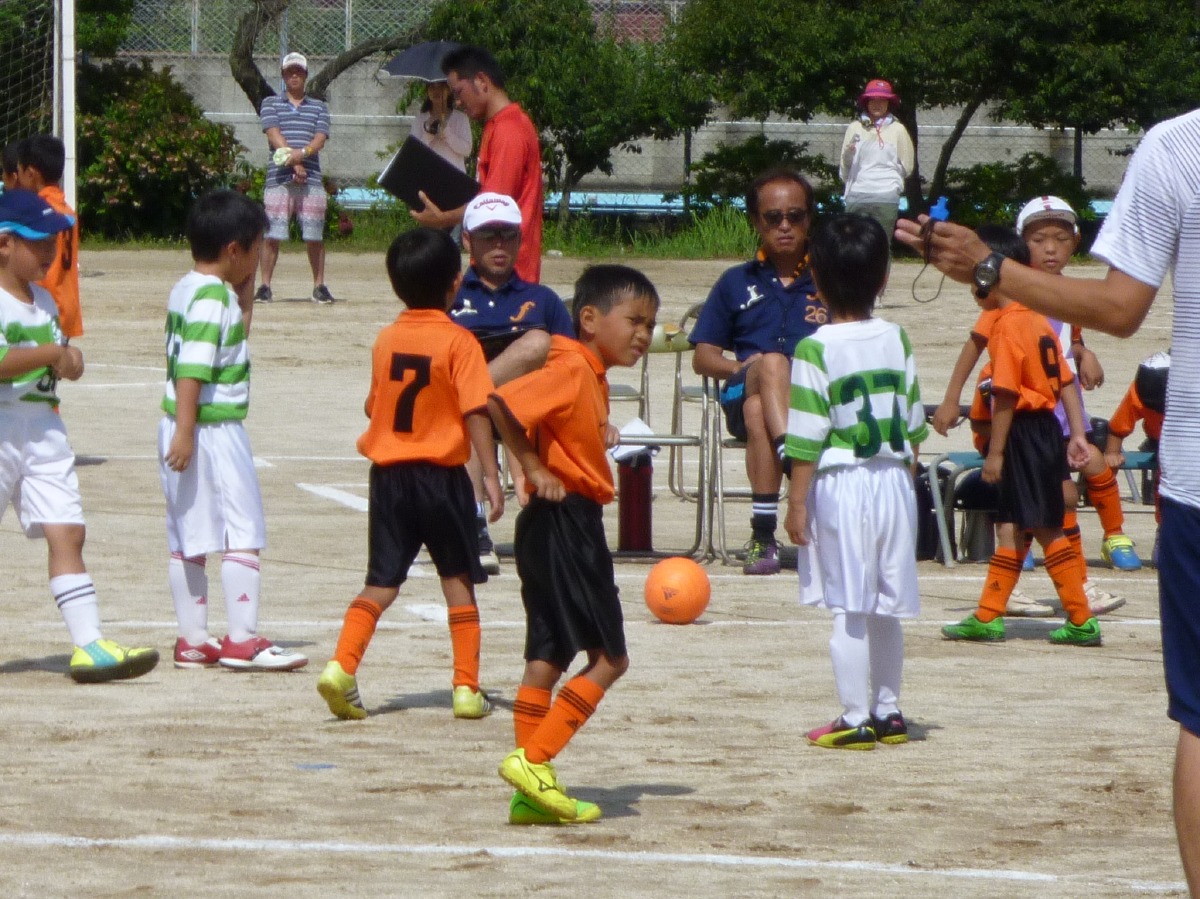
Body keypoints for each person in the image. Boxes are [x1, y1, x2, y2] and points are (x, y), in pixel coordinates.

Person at [898, 112, 1200, 883]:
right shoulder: (1022, 307)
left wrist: (986, 267)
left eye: (1063, 235)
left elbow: (1107, 322)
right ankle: (1027, 609)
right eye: (1043, 236)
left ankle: (1057, 609)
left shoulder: (1178, 145)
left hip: (1093, 445)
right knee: (1028, 526)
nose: (1055, 244)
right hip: (1038, 428)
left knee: (1039, 527)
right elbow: (996, 357)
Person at [488, 264, 658, 825]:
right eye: (634, 320)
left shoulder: (586, 371)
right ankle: (534, 760)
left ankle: (529, 796)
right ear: (589, 319)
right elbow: (500, 402)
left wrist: (591, 433)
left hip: (545, 526)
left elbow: (546, 418)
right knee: (610, 658)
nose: (644, 334)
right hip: (569, 524)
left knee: (547, 655)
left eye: (650, 324)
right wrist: (533, 465)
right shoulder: (571, 367)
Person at [316, 227, 502, 721]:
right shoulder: (460, 341)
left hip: (389, 477)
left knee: (381, 582)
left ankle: (341, 666)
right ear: (455, 282)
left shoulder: (387, 339)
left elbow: (373, 405)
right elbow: (476, 410)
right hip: (441, 477)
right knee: (457, 580)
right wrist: (489, 473)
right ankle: (466, 688)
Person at [932, 209, 1129, 615]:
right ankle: (1065, 594)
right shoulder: (1016, 313)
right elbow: (991, 363)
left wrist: (1072, 427)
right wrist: (953, 400)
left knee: (1038, 510)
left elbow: (1036, 382)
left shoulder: (1026, 313)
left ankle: (1059, 596)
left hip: (1026, 427)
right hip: (1026, 426)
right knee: (1040, 508)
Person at [0, 189, 159, 683]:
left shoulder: (46, 300)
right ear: (4, 243)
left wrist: (70, 361)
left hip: (44, 427)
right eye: (38, 241)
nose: (50, 251)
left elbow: (64, 356)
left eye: (53, 241)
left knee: (68, 531)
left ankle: (89, 643)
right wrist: (52, 354)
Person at [783, 212, 927, 750]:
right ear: (884, 278)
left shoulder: (815, 347)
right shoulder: (897, 337)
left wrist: (797, 504)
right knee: (887, 603)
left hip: (843, 482)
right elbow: (914, 425)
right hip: (893, 479)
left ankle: (853, 716)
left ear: (816, 279)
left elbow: (806, 437)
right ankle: (889, 711)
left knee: (848, 606)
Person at [160, 189, 308, 672]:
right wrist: (187, 431)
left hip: (183, 425)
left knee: (189, 534)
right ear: (233, 250)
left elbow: (234, 333)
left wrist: (180, 429)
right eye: (257, 249)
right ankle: (242, 638)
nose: (259, 259)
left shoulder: (189, 288)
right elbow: (193, 368)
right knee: (242, 529)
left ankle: (193, 639)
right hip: (211, 430)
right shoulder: (213, 299)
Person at [689, 167, 826, 575]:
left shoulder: (829, 279)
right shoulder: (734, 282)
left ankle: (763, 536)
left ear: (809, 219)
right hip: (741, 386)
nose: (785, 226)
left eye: (795, 216)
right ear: (755, 221)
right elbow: (703, 357)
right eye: (773, 217)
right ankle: (789, 453)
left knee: (758, 411)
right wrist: (748, 367)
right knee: (771, 364)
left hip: (809, 401)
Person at [452, 192, 574, 572]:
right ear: (468, 240)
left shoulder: (542, 299)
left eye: (507, 235)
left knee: (538, 343)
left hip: (529, 409)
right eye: (488, 235)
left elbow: (573, 363)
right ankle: (475, 523)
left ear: (520, 239)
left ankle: (548, 520)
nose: (499, 244)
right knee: (468, 413)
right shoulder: (449, 296)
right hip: (466, 413)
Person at [411, 45, 544, 284]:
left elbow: (493, 205)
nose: (458, 101)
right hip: (497, 268)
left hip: (508, 275)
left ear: (481, 81)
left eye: (459, 91)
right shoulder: (498, 125)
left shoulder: (508, 130)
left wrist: (443, 218)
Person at [255, 52, 334, 305]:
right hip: (279, 178)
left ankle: (319, 285)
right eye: (290, 71)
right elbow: (273, 134)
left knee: (314, 235)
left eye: (298, 71)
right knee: (272, 234)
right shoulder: (270, 103)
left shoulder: (319, 107)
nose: (294, 75)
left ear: (306, 75)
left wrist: (303, 154)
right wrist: (295, 160)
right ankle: (265, 286)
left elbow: (320, 139)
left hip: (311, 179)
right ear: (283, 75)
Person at [1105, 351, 1168, 563]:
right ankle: (1165, 531)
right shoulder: (1141, 390)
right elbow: (1118, 427)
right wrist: (1112, 453)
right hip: (1160, 441)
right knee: (1164, 484)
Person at [16, 135, 82, 339]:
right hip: (67, 305)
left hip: (48, 307)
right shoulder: (68, 212)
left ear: (30, 173)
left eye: (19, 172)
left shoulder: (40, 213)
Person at [839, 79, 914, 240]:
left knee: (881, 243)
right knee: (851, 244)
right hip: (857, 194)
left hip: (886, 196)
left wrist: (892, 183)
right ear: (866, 102)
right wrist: (850, 155)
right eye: (873, 100)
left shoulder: (898, 129)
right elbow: (844, 165)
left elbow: (907, 166)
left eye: (882, 100)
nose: (877, 104)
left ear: (889, 103)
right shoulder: (855, 127)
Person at [409, 80, 472, 173]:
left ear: (449, 90)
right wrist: (428, 135)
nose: (436, 91)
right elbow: (414, 152)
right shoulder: (419, 120)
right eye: (433, 87)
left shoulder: (461, 118)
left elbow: (467, 150)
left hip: (453, 175)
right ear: (428, 92)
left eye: (441, 87)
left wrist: (447, 134)